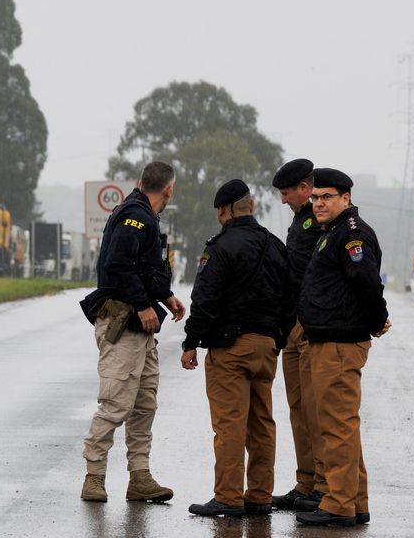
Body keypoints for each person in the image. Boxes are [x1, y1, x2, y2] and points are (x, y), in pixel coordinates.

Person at [180, 179, 292, 517]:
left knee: (229, 423)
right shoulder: (275, 245)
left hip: (230, 348)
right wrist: (278, 339)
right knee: (262, 423)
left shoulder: (220, 246)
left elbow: (205, 299)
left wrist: (191, 342)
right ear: (252, 206)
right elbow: (291, 299)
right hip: (267, 346)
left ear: (222, 211)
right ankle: (259, 495)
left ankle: (228, 496)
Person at [78, 161, 186, 503]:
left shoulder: (145, 216)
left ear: (142, 182)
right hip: (123, 321)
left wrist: (166, 297)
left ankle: (140, 477)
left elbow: (145, 268)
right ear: (169, 189)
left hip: (141, 328)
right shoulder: (134, 216)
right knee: (115, 403)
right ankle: (93, 477)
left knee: (144, 405)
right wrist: (142, 304)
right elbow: (118, 264)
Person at [295, 168, 391, 527]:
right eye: (315, 197)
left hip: (339, 342)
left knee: (335, 427)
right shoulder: (332, 232)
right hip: (328, 338)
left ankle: (337, 503)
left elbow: (366, 281)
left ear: (345, 199)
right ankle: (355, 501)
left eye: (326, 197)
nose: (318, 203)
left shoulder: (351, 234)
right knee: (342, 427)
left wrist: (376, 319)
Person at [269, 159, 328, 512]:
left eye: (287, 192)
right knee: (298, 408)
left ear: (304, 188)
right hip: (293, 325)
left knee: (316, 410)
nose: (283, 200)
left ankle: (323, 485)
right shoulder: (299, 221)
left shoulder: (319, 220)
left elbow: (317, 275)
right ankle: (306, 482)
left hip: (309, 324)